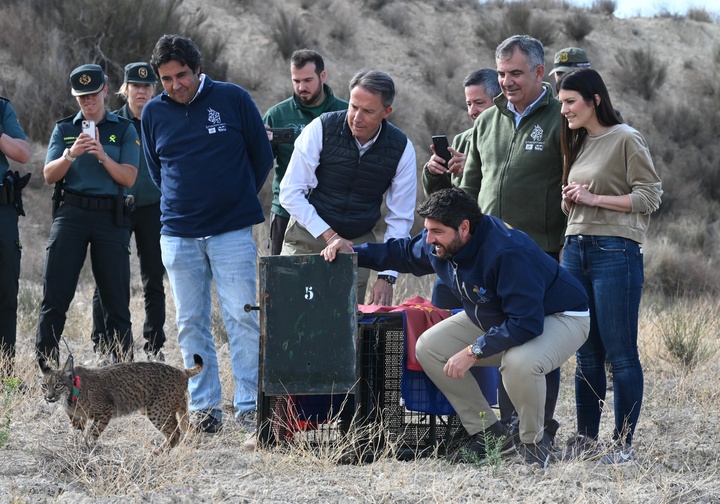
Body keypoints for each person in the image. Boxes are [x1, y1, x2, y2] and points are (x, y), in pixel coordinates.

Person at [321, 188, 590, 467]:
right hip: (500, 316)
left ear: (464, 228)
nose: (429, 239)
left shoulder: (508, 252)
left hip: (560, 316)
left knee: (518, 362)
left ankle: (533, 444)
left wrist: (474, 351)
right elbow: (402, 253)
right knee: (429, 347)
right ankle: (489, 434)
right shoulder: (443, 241)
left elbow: (526, 325)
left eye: (436, 232)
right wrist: (353, 252)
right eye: (427, 230)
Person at [142, 35, 273, 434]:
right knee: (190, 322)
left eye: (181, 74)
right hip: (178, 235)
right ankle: (205, 409)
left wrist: (232, 198)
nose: (175, 84)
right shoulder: (152, 113)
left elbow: (261, 157)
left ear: (198, 69)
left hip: (231, 232)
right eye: (166, 78)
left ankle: (250, 406)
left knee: (242, 318)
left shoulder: (233, 98)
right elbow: (156, 170)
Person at [459, 34, 564, 439]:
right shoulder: (487, 121)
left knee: (534, 346)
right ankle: (509, 428)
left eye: (516, 73)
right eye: (502, 74)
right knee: (499, 341)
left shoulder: (562, 118)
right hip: (487, 256)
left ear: (539, 72)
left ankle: (541, 430)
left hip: (541, 254)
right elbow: (469, 190)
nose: (506, 82)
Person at [557, 68, 662, 464]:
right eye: (562, 102)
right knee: (585, 353)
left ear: (594, 99)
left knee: (620, 354)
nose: (564, 109)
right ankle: (586, 440)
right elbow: (579, 200)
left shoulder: (627, 138)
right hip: (574, 249)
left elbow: (649, 196)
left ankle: (622, 447)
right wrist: (571, 199)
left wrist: (595, 198)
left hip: (614, 251)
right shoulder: (579, 142)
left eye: (570, 102)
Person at [279, 69, 416, 305]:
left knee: (343, 326)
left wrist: (387, 275)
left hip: (357, 246)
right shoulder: (320, 128)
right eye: (354, 106)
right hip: (307, 234)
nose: (357, 117)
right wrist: (331, 237)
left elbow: (400, 217)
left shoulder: (402, 148)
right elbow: (290, 193)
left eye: (368, 111)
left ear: (386, 112)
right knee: (289, 315)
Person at [36, 64, 139, 366]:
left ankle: (124, 368)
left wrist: (103, 156)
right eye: (82, 97)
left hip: (110, 217)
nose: (88, 101)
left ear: (106, 90)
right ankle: (46, 365)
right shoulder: (65, 129)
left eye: (93, 94)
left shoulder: (123, 129)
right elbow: (48, 175)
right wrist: (71, 154)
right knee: (55, 293)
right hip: (72, 213)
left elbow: (129, 178)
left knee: (116, 300)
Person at [90, 62, 167, 363]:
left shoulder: (162, 120)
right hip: (117, 207)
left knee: (153, 278)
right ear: (125, 90)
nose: (142, 91)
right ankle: (104, 343)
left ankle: (154, 345)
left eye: (148, 86)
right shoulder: (112, 124)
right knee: (108, 278)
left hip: (152, 208)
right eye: (136, 86)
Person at [422, 68, 500, 309]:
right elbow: (442, 201)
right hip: (456, 247)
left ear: (499, 101)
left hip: (489, 244)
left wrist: (473, 165)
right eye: (468, 103)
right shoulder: (462, 140)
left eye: (479, 102)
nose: (472, 111)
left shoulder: (505, 138)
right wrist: (433, 173)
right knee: (440, 314)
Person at [264, 49, 348, 255]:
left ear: (323, 76)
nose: (301, 87)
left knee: (333, 280)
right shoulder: (277, 115)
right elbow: (259, 163)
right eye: (296, 81)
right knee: (280, 280)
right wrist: (257, 144)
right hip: (287, 212)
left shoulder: (346, 113)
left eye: (308, 80)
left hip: (333, 213)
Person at [0, 95, 31, 379]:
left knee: (6, 292)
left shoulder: (2, 108)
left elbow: (22, 153)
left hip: (2, 210)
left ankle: (6, 373)